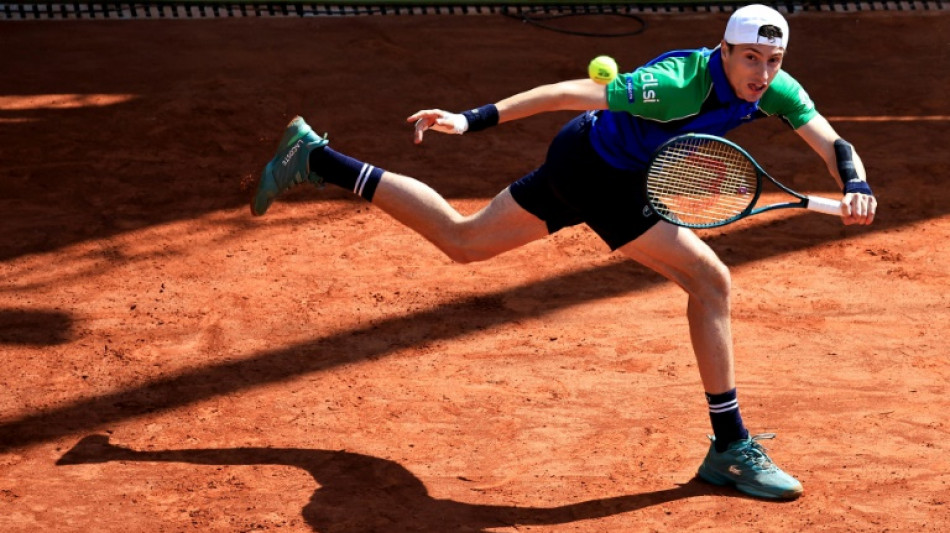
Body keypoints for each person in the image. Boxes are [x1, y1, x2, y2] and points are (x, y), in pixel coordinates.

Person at [249, 4, 876, 500]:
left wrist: (855, 184)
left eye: (772, 60)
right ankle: (731, 447)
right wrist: (472, 120)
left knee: (463, 240)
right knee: (711, 283)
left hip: (615, 170)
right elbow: (561, 92)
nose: (761, 74)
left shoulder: (774, 89)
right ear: (724, 50)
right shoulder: (674, 86)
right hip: (593, 169)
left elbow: (832, 141)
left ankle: (315, 157)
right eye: (749, 59)